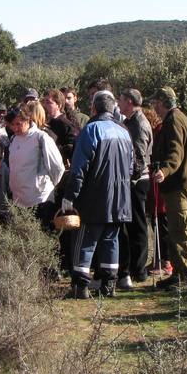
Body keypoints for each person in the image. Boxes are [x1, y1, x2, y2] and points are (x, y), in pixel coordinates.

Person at [63, 91, 134, 298]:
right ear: (113, 109)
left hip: (94, 197)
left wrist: (70, 196)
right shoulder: (124, 132)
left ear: (94, 108)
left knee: (85, 241)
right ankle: (108, 285)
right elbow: (131, 167)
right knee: (111, 241)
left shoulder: (91, 130)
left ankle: (80, 287)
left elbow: (79, 169)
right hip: (121, 199)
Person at [150, 87, 187, 289]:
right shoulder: (179, 118)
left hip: (178, 185)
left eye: (155, 103)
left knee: (181, 229)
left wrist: (164, 170)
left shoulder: (173, 122)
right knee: (175, 229)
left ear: (162, 103)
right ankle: (178, 275)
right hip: (180, 183)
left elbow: (175, 153)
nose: (154, 107)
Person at [117, 88, 154, 288]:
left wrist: (131, 178)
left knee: (138, 225)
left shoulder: (139, 123)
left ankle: (139, 270)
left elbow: (139, 156)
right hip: (132, 180)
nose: (119, 103)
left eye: (121, 100)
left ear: (129, 102)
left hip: (138, 182)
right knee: (131, 225)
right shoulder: (129, 121)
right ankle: (133, 267)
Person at [6, 101, 65, 224]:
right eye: (12, 124)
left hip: (41, 201)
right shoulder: (14, 140)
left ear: (28, 119)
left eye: (19, 123)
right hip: (19, 202)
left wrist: (46, 186)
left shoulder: (41, 138)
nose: (15, 128)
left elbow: (58, 168)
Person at [43, 89, 80, 164]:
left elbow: (72, 147)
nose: (45, 105)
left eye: (48, 102)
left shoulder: (67, 125)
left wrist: (54, 148)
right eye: (44, 102)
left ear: (58, 105)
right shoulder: (45, 123)